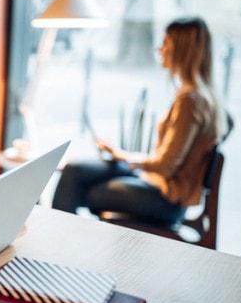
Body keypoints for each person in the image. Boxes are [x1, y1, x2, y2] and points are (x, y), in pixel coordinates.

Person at [52, 17, 230, 224]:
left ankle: (57, 247)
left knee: (80, 189)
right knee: (74, 170)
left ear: (182, 50)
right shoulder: (205, 96)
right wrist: (123, 156)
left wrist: (126, 157)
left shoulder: (190, 100)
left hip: (166, 198)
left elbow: (166, 166)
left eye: (165, 43)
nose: (160, 49)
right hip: (155, 182)